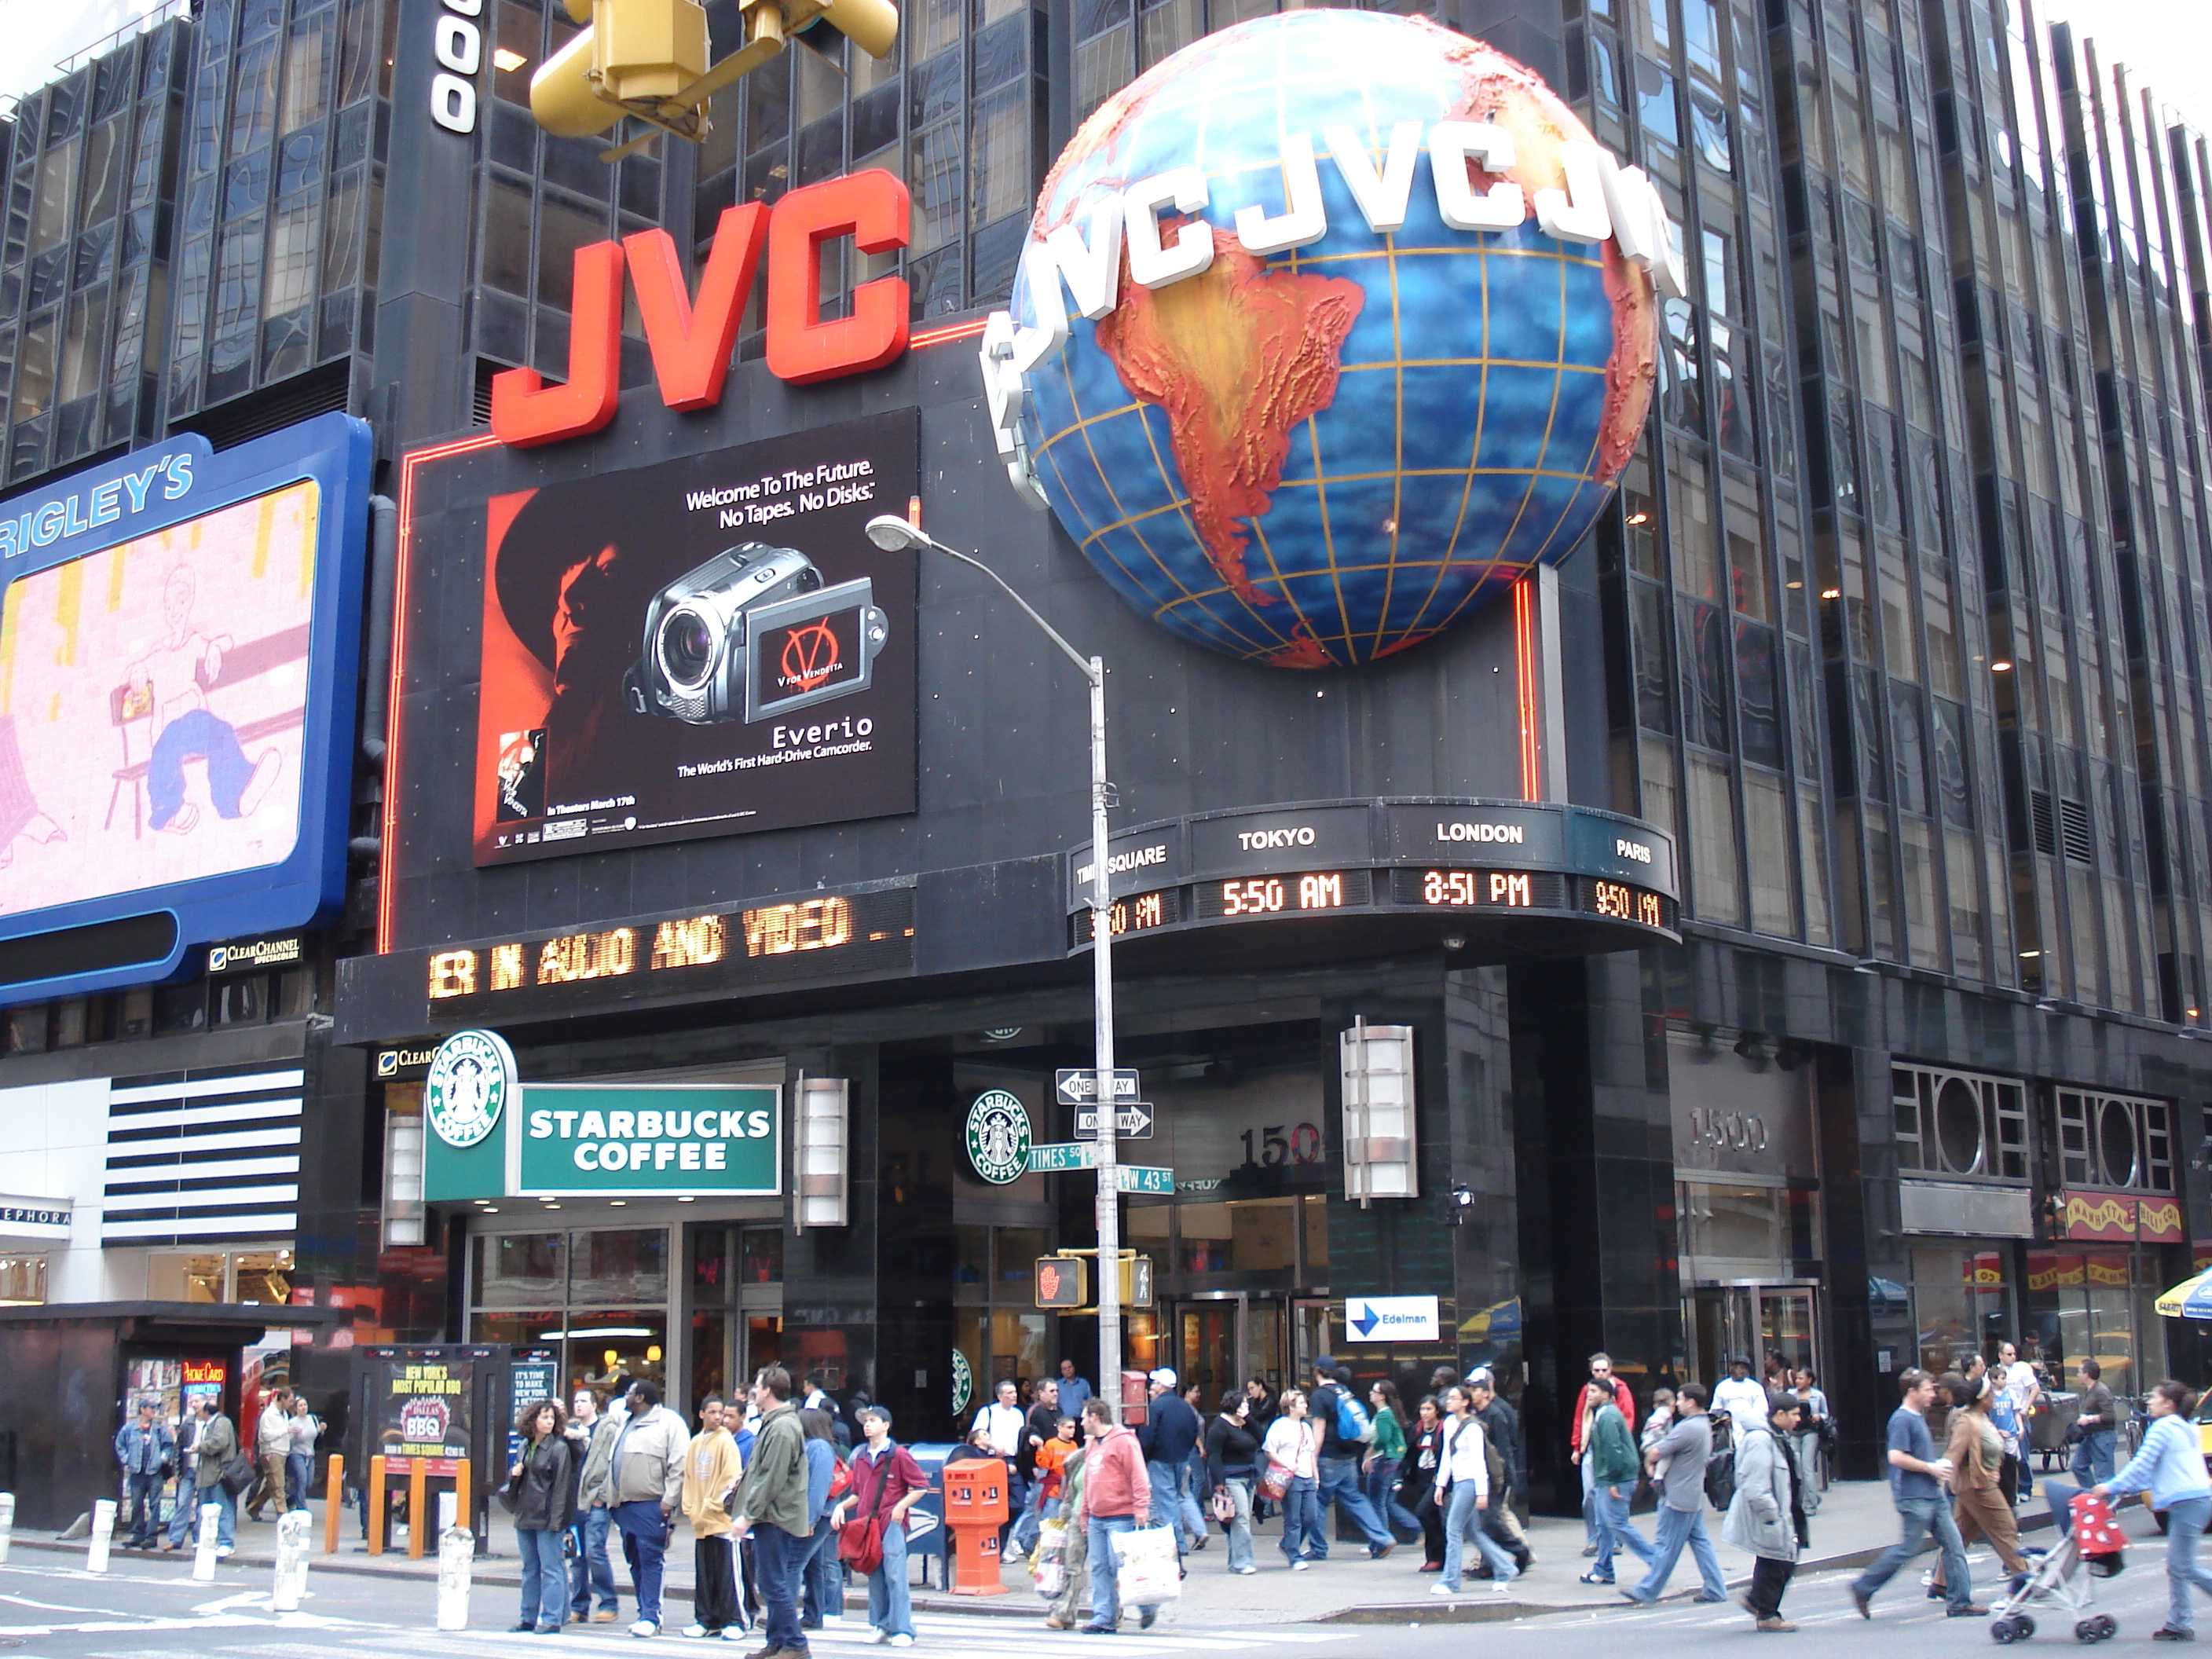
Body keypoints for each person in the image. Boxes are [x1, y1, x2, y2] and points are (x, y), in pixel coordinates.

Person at [1848, 1368, 1980, 1620]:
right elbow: (1895, 1457)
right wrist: (1930, 1467)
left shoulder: (1917, 1416)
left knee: (1954, 1545)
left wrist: (1935, 1467)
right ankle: (1864, 1586)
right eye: (1928, 1389)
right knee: (1908, 1549)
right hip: (1914, 1496)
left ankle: (1960, 1602)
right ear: (1912, 1392)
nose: (1934, 1394)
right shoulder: (1902, 1420)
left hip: (1931, 1492)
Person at [2094, 1377, 2212, 1642]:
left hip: (2188, 1503)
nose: (2149, 1401)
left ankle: (2180, 1623)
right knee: (2178, 1565)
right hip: (2197, 1499)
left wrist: (2111, 1486)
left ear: (2169, 1404)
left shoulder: (2163, 1428)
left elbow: (2142, 1464)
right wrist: (2125, 1487)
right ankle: (2179, 1623)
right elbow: (2158, 1470)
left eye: (2155, 1397)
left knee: (2183, 1565)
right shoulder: (2184, 1426)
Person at [730, 1367, 811, 1659]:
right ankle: (777, 1640)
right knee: (770, 1580)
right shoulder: (775, 1423)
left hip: (776, 1516)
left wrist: (747, 1515)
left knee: (772, 1582)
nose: (754, 1390)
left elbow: (772, 1478)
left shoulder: (782, 1427)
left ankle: (795, 1644)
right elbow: (763, 1471)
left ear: (768, 1391)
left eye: (759, 1385)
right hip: (774, 1514)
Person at [1624, 1381, 1727, 1606]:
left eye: (1679, 1399)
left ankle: (1648, 1589)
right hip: (1691, 1494)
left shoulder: (1688, 1428)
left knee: (1666, 1545)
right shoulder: (1703, 1426)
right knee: (1700, 1542)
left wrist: (1650, 1462)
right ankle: (1716, 1588)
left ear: (1690, 1403)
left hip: (1678, 1496)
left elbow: (1657, 1451)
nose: (1677, 1404)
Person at [1932, 1373, 2032, 1599]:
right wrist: (1938, 1479)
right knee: (2005, 1528)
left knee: (1960, 1533)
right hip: (1977, 1486)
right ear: (1981, 1398)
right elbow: (1954, 1453)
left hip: (1979, 1483)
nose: (1994, 1399)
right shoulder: (1967, 1421)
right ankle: (2025, 1578)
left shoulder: (1983, 1418)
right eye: (1990, 1395)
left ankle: (1941, 1581)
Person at [833, 1406, 925, 1648]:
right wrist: (841, 1507)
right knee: (874, 1574)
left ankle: (903, 1628)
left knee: (896, 1575)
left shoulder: (899, 1455)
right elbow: (857, 1492)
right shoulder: (860, 1456)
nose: (867, 1425)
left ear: (886, 1425)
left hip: (891, 1522)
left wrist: (901, 1506)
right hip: (867, 1523)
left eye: (873, 1420)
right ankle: (879, 1625)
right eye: (865, 1421)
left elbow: (921, 1486)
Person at [602, 1379, 688, 1637]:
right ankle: (644, 1611)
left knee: (651, 1558)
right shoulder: (625, 1422)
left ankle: (652, 1614)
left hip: (651, 1503)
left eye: (629, 1393)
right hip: (623, 1504)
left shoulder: (669, 1422)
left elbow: (680, 1463)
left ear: (640, 1398)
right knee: (635, 1559)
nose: (625, 1397)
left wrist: (669, 1500)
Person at [1077, 1393, 1161, 1633]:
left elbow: (1138, 1475)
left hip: (1121, 1515)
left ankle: (1147, 1604)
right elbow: (1088, 1481)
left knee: (1122, 1566)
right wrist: (1085, 1513)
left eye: (1084, 1417)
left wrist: (1141, 1507)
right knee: (1100, 1567)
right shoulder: (1093, 1444)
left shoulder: (1124, 1441)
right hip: (1097, 1516)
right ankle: (1104, 1618)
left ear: (1094, 1417)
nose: (1081, 1422)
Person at [1726, 1390, 1807, 1632]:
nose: (1798, 1419)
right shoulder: (1761, 1440)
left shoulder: (1776, 1436)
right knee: (1777, 1560)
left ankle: (1758, 1602)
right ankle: (1766, 1612)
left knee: (1778, 1559)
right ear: (1779, 1414)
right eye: (1794, 1414)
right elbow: (1754, 1485)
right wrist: (1771, 1514)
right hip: (1774, 1513)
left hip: (1786, 1510)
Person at [1429, 1384, 1518, 1598]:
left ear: (1465, 1402)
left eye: (1453, 1398)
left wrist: (1481, 1493)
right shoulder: (1450, 1423)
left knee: (1453, 1529)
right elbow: (1448, 1457)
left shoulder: (1473, 1428)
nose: (1448, 1401)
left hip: (1470, 1482)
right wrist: (1440, 1484)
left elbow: (1479, 1462)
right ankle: (1505, 1568)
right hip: (1459, 1482)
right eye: (1448, 1398)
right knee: (1473, 1532)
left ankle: (1450, 1581)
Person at [1308, 1359, 1394, 1558]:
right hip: (1348, 1455)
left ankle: (1318, 1549)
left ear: (1317, 1371)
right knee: (1355, 1498)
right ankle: (1382, 1536)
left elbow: (1319, 1427)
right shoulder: (1343, 1391)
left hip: (1328, 1457)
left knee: (1318, 1502)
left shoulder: (1320, 1395)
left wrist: (1312, 1455)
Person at [507, 1399, 578, 1634]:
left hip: (547, 1516)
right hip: (525, 1513)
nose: (549, 1422)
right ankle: (527, 1616)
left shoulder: (559, 1448)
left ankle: (551, 1618)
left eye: (552, 1418)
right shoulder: (524, 1447)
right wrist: (515, 1474)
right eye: (544, 1417)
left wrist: (557, 1522)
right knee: (529, 1568)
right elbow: (517, 1485)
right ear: (533, 1420)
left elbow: (561, 1488)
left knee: (551, 1568)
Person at [676, 1395, 744, 1641]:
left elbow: (731, 1478)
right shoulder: (695, 1442)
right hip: (701, 1520)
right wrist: (691, 1507)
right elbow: (690, 1478)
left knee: (727, 1573)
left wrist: (712, 1504)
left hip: (721, 1519)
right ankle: (706, 1619)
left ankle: (734, 1620)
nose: (718, 1417)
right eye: (713, 1412)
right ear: (702, 1414)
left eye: (722, 1413)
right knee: (705, 1574)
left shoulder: (726, 1442)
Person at [1578, 1379, 1653, 1585]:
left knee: (1617, 1524)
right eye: (1588, 1391)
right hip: (1607, 1478)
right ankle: (1604, 1569)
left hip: (1615, 1478)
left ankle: (1657, 1561)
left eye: (1593, 1391)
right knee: (1603, 1524)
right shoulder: (1602, 1414)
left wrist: (1613, 1481)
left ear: (1605, 1394)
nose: (1589, 1395)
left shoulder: (1608, 1416)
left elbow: (1614, 1450)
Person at [1569, 1354, 1635, 1555]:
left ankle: (1615, 1539)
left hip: (1611, 1447)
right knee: (1590, 1495)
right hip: (1591, 1447)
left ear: (1610, 1370)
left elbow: (1627, 1419)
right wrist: (1576, 1446)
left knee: (1613, 1495)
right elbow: (1580, 1417)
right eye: (1596, 1370)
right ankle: (1594, 1539)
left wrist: (1620, 1445)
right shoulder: (1587, 1391)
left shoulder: (1621, 1390)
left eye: (1604, 1370)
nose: (1600, 1374)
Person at [1136, 1368, 1204, 1557]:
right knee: (1181, 1496)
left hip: (1160, 1460)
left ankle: (1177, 1543)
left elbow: (1147, 1436)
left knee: (1167, 1504)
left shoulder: (1156, 1407)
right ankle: (1188, 1536)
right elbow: (1193, 1431)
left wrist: (1145, 1455)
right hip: (1181, 1458)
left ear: (1160, 1386)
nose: (1152, 1387)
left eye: (1155, 1383)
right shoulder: (1184, 1407)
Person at [570, 1388, 623, 1625]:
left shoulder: (607, 1430)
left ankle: (609, 1603)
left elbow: (611, 1464)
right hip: (574, 1501)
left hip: (596, 1500)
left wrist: (602, 1496)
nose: (578, 1405)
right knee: (578, 1556)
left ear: (594, 1405)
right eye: (576, 1401)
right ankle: (579, 1606)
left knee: (595, 1551)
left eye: (583, 1401)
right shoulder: (570, 1431)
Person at [1466, 1372, 1530, 1561]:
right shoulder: (1476, 1414)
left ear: (1487, 1391)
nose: (1471, 1394)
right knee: (1490, 1519)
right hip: (1483, 1475)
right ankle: (1491, 1559)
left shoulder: (1497, 1414)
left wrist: (1502, 1479)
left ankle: (1518, 1550)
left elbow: (1504, 1449)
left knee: (1490, 1519)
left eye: (1475, 1389)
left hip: (1495, 1477)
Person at [1262, 1388, 1321, 1569]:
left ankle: (1288, 1544)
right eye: (1302, 1402)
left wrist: (1316, 1477)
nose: (1306, 1406)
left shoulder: (1306, 1427)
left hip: (1307, 1477)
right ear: (1291, 1406)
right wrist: (1286, 1464)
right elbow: (1269, 1450)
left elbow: (1311, 1454)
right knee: (1293, 1518)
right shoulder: (1280, 1426)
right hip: (1290, 1477)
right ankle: (1294, 1555)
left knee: (1311, 1516)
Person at [797, 1408, 845, 1632]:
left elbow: (817, 1489)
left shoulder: (818, 1448)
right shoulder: (821, 1447)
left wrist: (809, 1520)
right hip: (821, 1514)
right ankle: (813, 1613)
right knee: (814, 1565)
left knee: (793, 1563)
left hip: (819, 1515)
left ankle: (784, 1616)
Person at [970, 1379, 1028, 1562]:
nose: (1014, 1395)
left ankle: (1000, 1541)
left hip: (1013, 1461)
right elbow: (976, 1435)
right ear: (1000, 1395)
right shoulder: (988, 1412)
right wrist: (994, 1446)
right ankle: (998, 1548)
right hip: (993, 1459)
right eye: (1010, 1393)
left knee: (1018, 1503)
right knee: (996, 1503)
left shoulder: (1018, 1414)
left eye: (1014, 1392)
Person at [1203, 1390, 1260, 1575]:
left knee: (1238, 1519)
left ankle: (1235, 1560)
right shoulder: (1219, 1427)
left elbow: (1262, 1438)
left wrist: (1249, 1418)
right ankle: (1244, 1561)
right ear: (1233, 1405)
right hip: (1231, 1477)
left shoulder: (1245, 1424)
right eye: (1243, 1404)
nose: (1246, 1406)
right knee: (1241, 1517)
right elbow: (1214, 1455)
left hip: (1248, 1475)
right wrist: (1219, 1482)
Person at [1011, 1379, 1061, 1560]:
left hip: (1055, 1469)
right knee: (1034, 1505)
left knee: (1049, 1507)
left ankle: (1033, 1542)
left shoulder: (1058, 1411)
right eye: (1051, 1391)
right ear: (1041, 1393)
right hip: (1039, 1467)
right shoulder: (1036, 1412)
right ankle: (1020, 1537)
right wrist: (1032, 1465)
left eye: (1056, 1390)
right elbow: (1028, 1439)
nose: (1055, 1394)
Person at [1364, 1379, 1419, 1544]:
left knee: (1377, 1502)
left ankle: (1381, 1539)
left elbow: (1383, 1439)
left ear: (1382, 1396)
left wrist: (1369, 1454)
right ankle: (1415, 1527)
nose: (1371, 1393)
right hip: (1392, 1460)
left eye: (1374, 1391)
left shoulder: (1383, 1415)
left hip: (1385, 1460)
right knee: (1386, 1502)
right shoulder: (1388, 1413)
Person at [115, 1397, 174, 1549]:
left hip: (155, 1473)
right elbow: (120, 1445)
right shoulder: (129, 1429)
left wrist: (162, 1458)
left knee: (155, 1505)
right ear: (142, 1409)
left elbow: (168, 1446)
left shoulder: (160, 1429)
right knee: (137, 1504)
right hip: (137, 1472)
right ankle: (138, 1534)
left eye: (155, 1408)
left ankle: (151, 1537)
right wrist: (127, 1459)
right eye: (151, 1408)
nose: (154, 1411)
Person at [189, 1395, 240, 1555]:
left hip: (219, 1473)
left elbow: (220, 1442)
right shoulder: (208, 1425)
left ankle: (226, 1542)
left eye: (199, 1408)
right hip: (207, 1474)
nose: (196, 1411)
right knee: (205, 1508)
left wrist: (200, 1447)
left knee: (222, 1508)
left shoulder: (222, 1423)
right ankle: (205, 1538)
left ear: (207, 1411)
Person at [1402, 1396, 1448, 1570]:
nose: (1425, 1413)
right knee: (1431, 1518)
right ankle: (1434, 1557)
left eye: (1429, 1409)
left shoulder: (1443, 1429)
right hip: (1421, 1476)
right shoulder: (1418, 1429)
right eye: (1422, 1409)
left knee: (1424, 1512)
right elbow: (1411, 1453)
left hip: (1437, 1478)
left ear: (1437, 1410)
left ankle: (1439, 1557)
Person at [1998, 1341, 2041, 1502]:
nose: (2013, 1357)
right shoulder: (1995, 1371)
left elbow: (2035, 1388)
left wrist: (2026, 1407)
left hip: (2019, 1415)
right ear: (2001, 1355)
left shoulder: (2022, 1369)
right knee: (2006, 1456)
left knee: (2021, 1456)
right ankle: (2010, 1489)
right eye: (2009, 1354)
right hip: (2003, 1416)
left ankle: (2025, 1487)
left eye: (2014, 1354)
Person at [247, 1386, 294, 1521]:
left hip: (282, 1451)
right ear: (282, 1399)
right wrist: (286, 1430)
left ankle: (254, 1507)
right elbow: (266, 1435)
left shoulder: (283, 1414)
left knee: (272, 1484)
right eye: (290, 1401)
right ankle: (282, 1513)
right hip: (271, 1452)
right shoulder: (268, 1415)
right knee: (278, 1484)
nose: (291, 1404)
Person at [1789, 1369, 1829, 1514]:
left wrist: (1819, 1416)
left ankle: (1810, 1504)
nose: (1798, 1381)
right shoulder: (1791, 1394)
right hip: (1794, 1433)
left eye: (1801, 1378)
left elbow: (1826, 1414)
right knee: (1796, 1466)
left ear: (1809, 1380)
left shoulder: (1817, 1395)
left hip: (1810, 1433)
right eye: (1797, 1378)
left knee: (1807, 1467)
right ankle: (1809, 1497)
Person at [2073, 1358, 2119, 1486]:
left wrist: (2089, 1419)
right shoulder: (2089, 1390)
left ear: (2087, 1374)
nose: (2077, 1375)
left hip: (2103, 1436)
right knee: (2078, 1466)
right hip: (2090, 1435)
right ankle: (2093, 1495)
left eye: (2079, 1371)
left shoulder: (2101, 1391)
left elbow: (2109, 1416)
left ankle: (2108, 1503)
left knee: (2104, 1475)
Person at [1712, 1357, 1768, 1432]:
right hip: (1729, 1431)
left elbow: (1762, 1410)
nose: (1742, 1371)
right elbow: (1716, 1410)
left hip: (1750, 1429)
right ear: (1732, 1368)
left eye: (1745, 1369)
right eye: (1739, 1368)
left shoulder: (1755, 1387)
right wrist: (1723, 1419)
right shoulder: (1722, 1387)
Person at [286, 1397, 320, 1518]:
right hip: (297, 1453)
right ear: (295, 1408)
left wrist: (321, 1429)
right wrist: (295, 1435)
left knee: (309, 1482)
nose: (303, 1407)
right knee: (302, 1478)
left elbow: (316, 1435)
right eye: (300, 1406)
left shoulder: (313, 1419)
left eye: (305, 1405)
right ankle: (301, 1507)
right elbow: (289, 1441)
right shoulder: (292, 1422)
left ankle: (290, 1500)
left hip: (310, 1454)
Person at [1055, 1360, 1094, 1424]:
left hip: (1081, 1420)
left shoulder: (1084, 1383)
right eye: (1065, 1369)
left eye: (1069, 1367)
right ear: (1062, 1372)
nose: (1068, 1370)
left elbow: (1090, 1402)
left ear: (1074, 1368)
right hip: (1063, 1421)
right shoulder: (1057, 1385)